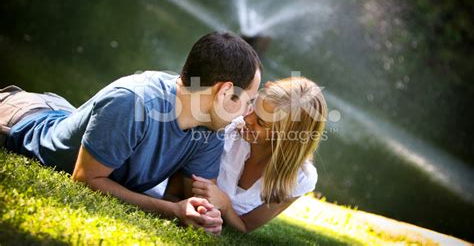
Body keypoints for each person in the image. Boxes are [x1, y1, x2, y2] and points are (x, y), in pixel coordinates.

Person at [0, 31, 262, 234]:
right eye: (247, 100)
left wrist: (204, 214)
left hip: (63, 113)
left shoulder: (211, 128)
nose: (246, 112)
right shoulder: (133, 102)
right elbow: (85, 179)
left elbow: (182, 196)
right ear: (224, 91)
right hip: (21, 115)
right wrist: (172, 211)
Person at [151, 77, 327, 232]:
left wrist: (225, 205)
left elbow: (246, 226)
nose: (246, 119)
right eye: (252, 107)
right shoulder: (225, 129)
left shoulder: (301, 178)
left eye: (260, 122)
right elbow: (172, 193)